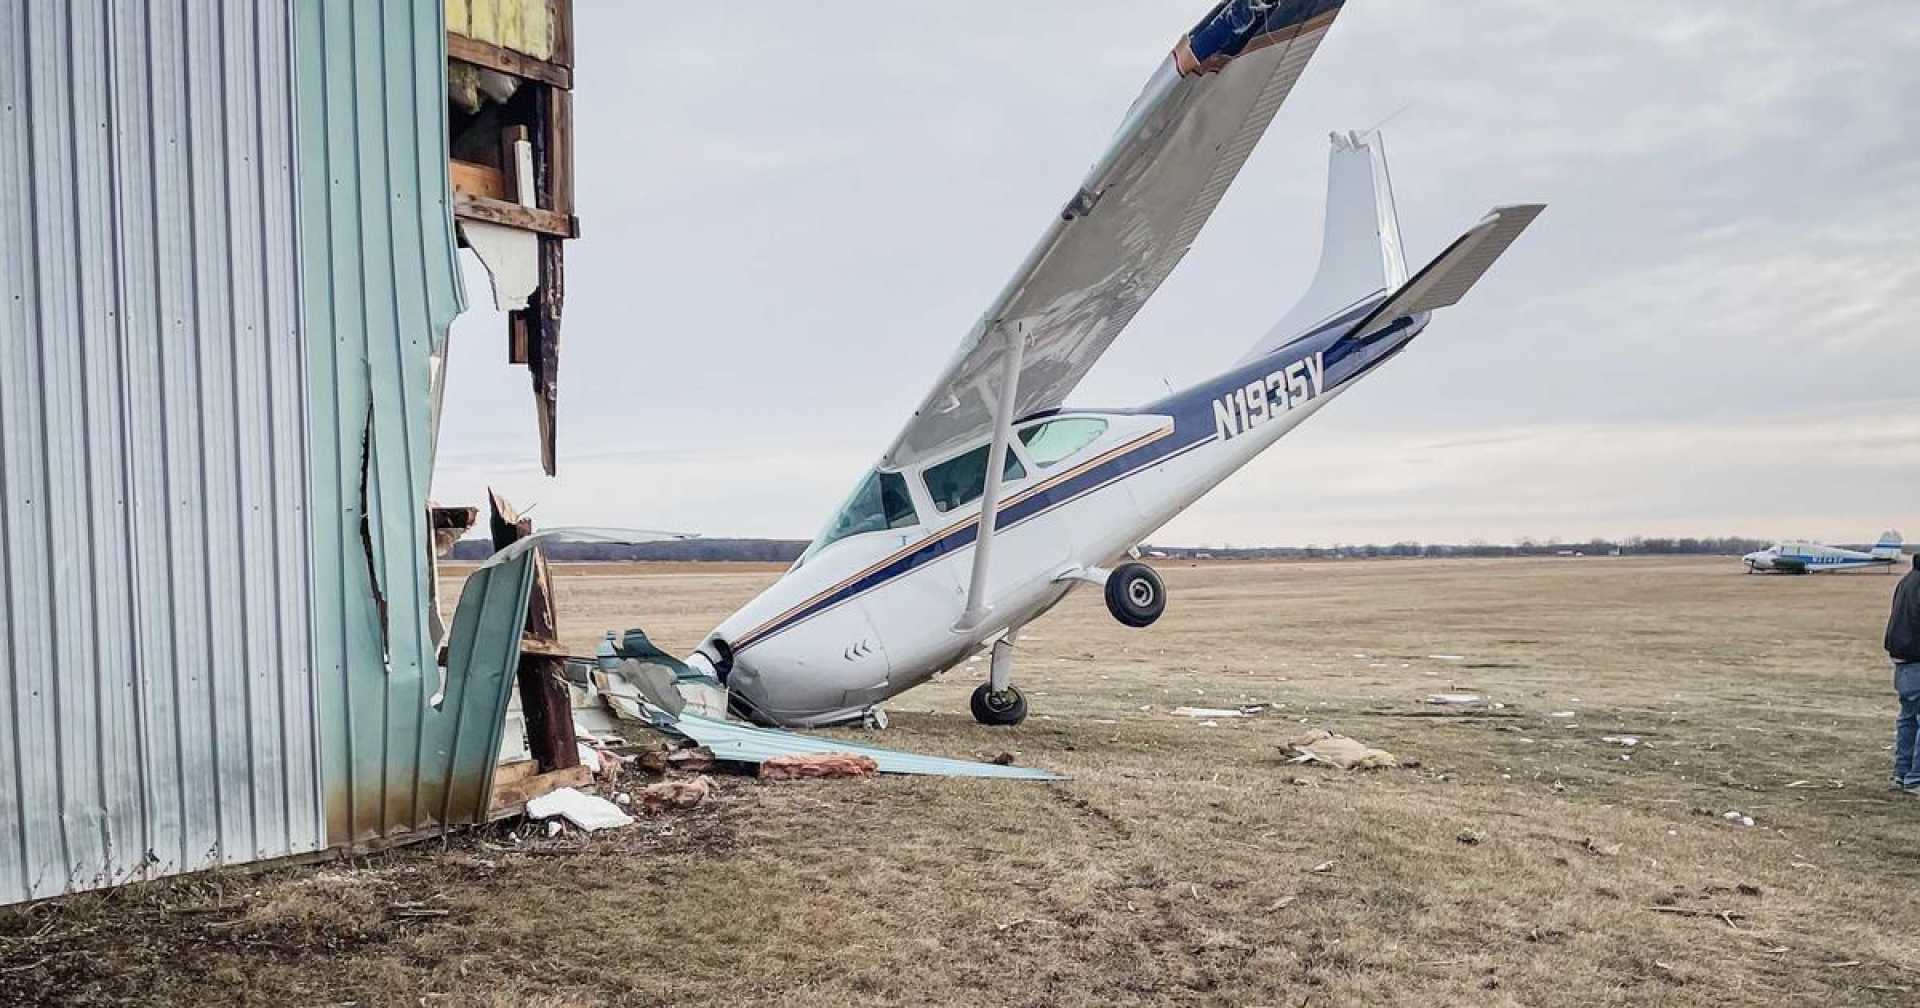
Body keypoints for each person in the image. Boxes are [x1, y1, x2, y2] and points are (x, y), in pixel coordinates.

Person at [1888, 554, 1920, 791]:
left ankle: (1902, 773)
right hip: (1917, 659)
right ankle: (1915, 778)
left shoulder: (1907, 581)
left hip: (1903, 658)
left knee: (1908, 717)